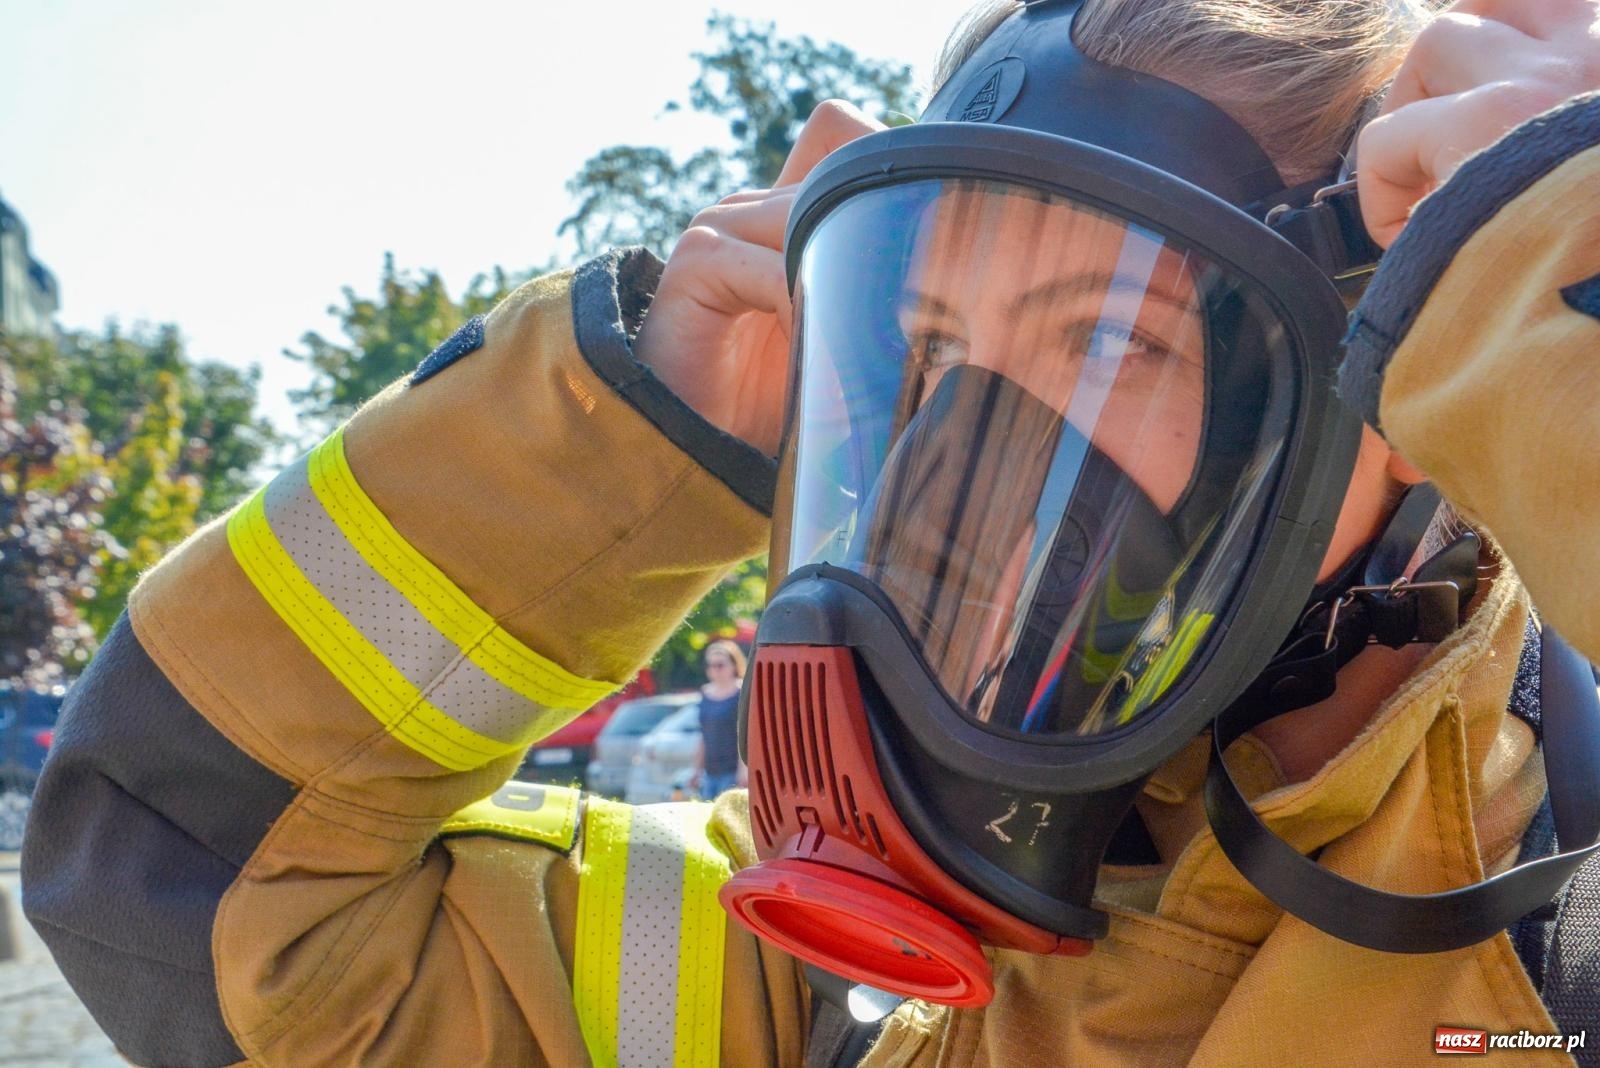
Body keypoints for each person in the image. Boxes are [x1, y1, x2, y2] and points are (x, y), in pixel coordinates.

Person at [19, 0, 1600, 1064]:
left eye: (1107, 339)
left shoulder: (1556, 944)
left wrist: (1565, 288)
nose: (958, 457)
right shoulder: (819, 981)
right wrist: (627, 430)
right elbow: (192, 895)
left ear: (1401, 373)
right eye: (924, 350)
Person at [694, 640, 748, 801]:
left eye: (720, 665)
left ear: (734, 665)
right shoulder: (705, 693)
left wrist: (743, 769)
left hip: (733, 771)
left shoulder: (742, 693)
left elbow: (745, 735)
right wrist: (696, 770)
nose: (715, 670)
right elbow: (703, 734)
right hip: (710, 770)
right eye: (711, 665)